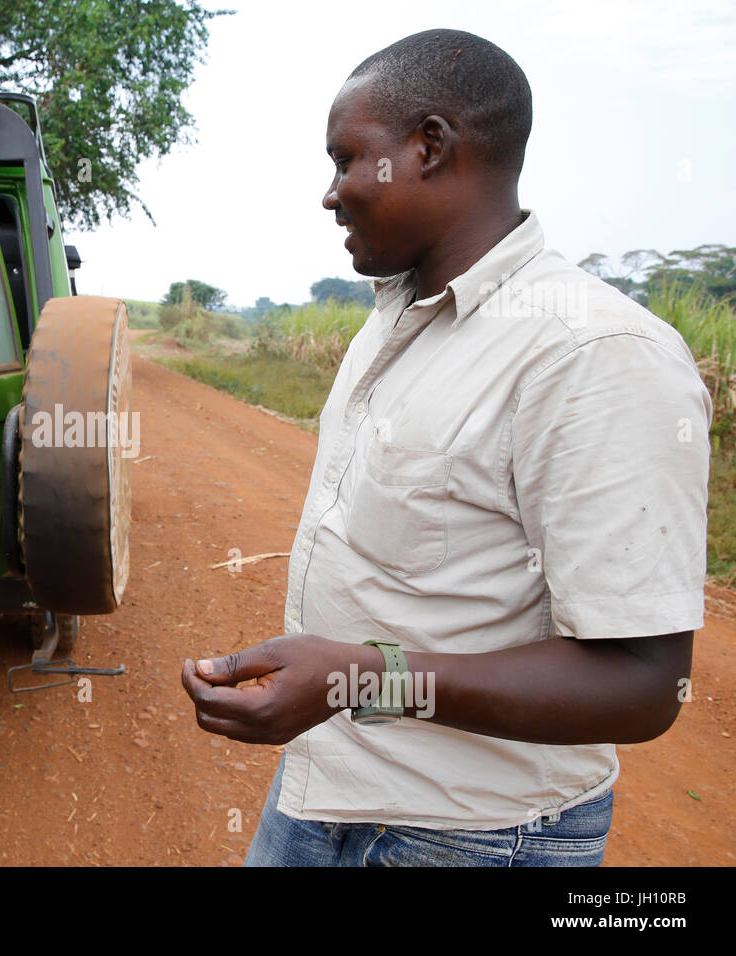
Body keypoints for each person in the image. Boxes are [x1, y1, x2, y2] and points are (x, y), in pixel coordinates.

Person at [180, 28, 712, 866]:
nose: (329, 194)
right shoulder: (395, 317)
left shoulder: (594, 354)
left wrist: (359, 677)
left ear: (428, 147)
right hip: (325, 789)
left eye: (346, 158)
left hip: (470, 838)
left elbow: (645, 685)